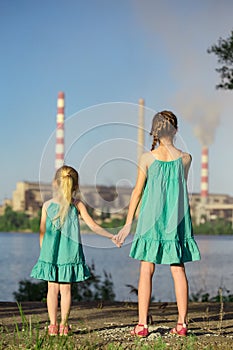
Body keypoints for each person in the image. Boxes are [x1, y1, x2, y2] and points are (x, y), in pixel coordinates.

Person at [116, 111, 201, 337]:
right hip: (176, 220)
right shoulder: (186, 158)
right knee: (178, 268)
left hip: (150, 219)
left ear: (154, 131)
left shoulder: (147, 157)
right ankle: (182, 324)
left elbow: (137, 192)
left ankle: (142, 324)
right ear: (176, 130)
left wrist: (127, 224)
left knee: (146, 269)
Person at [31, 165, 118, 336]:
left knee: (52, 290)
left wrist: (45, 253)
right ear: (76, 186)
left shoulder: (47, 206)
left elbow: (42, 232)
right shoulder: (77, 205)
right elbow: (93, 226)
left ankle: (52, 326)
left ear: (54, 183)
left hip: (50, 254)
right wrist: (111, 236)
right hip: (69, 255)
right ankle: (64, 326)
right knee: (66, 290)